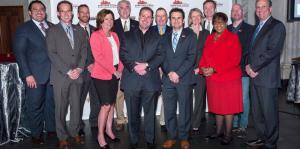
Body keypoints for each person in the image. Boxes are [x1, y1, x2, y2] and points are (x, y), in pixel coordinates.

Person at [120, 7, 164, 149]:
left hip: (150, 81)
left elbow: (160, 55)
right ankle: (133, 141)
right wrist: (134, 67)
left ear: (152, 20)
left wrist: (147, 65)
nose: (145, 19)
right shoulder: (127, 35)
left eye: (149, 17)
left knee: (150, 114)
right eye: (143, 16)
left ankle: (150, 141)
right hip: (132, 80)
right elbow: (123, 54)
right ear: (138, 17)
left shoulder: (158, 36)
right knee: (133, 115)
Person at [13, 0, 55, 145]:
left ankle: (51, 130)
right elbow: (20, 53)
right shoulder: (24, 29)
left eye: (42, 9)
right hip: (34, 76)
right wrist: (27, 74)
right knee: (35, 106)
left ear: (45, 11)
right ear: (30, 12)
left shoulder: (52, 26)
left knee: (51, 104)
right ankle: (36, 135)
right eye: (35, 9)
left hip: (53, 75)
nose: (39, 11)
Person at [46, 1, 87, 148]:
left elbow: (84, 51)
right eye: (62, 11)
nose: (66, 13)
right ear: (58, 13)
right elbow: (52, 53)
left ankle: (75, 133)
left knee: (76, 106)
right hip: (61, 76)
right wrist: (69, 71)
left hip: (77, 75)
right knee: (61, 108)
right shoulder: (52, 31)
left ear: (72, 12)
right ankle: (62, 137)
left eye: (68, 11)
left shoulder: (79, 30)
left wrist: (80, 69)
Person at [245, 0, 286, 149]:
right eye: (258, 7)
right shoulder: (257, 27)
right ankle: (261, 138)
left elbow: (272, 51)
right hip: (254, 77)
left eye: (263, 7)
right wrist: (247, 66)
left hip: (267, 78)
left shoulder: (277, 26)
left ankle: (271, 142)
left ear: (270, 9)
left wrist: (254, 67)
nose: (260, 10)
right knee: (257, 113)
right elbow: (251, 51)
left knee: (269, 113)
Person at [199, 12, 243, 145]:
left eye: (221, 22)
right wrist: (203, 68)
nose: (218, 24)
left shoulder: (233, 37)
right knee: (217, 106)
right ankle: (218, 132)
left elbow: (235, 60)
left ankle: (228, 134)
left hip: (229, 79)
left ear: (226, 24)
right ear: (213, 24)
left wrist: (215, 68)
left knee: (228, 108)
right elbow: (204, 56)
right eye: (216, 22)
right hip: (213, 79)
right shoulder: (209, 38)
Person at [161, 8, 197, 149]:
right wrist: (169, 72)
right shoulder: (164, 36)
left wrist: (178, 73)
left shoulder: (190, 35)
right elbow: (161, 57)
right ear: (170, 20)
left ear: (183, 20)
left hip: (184, 79)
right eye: (173, 18)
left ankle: (184, 137)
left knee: (184, 110)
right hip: (168, 79)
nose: (176, 20)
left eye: (179, 18)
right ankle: (171, 137)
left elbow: (191, 57)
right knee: (169, 109)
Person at [90, 9, 123, 149]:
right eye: (106, 19)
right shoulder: (95, 35)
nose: (109, 21)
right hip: (102, 74)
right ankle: (100, 135)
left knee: (112, 104)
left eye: (111, 19)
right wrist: (113, 71)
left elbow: (119, 54)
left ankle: (109, 131)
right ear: (100, 21)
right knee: (106, 105)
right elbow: (99, 58)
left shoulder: (115, 35)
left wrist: (120, 70)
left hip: (115, 73)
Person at [228, 3, 254, 139]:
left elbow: (250, 50)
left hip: (243, 70)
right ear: (231, 13)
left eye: (238, 10)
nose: (236, 12)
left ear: (242, 12)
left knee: (243, 98)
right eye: (233, 10)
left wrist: (245, 64)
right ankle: (234, 123)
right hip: (228, 72)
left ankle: (243, 126)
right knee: (232, 97)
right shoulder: (226, 29)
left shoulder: (250, 29)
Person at [113, 0, 139, 131]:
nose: (124, 10)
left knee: (134, 93)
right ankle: (120, 119)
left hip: (135, 65)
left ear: (130, 9)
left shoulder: (137, 24)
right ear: (118, 10)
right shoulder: (112, 24)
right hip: (119, 65)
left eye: (127, 7)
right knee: (119, 94)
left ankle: (134, 118)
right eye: (121, 8)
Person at [76, 4, 100, 136]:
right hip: (82, 72)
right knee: (79, 100)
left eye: (87, 12)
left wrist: (95, 64)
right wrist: (87, 65)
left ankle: (95, 123)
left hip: (96, 71)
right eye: (82, 12)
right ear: (78, 14)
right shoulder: (73, 30)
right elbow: (74, 53)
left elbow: (100, 51)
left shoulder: (95, 30)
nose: (85, 14)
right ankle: (78, 125)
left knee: (96, 99)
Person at [188, 8, 210, 135]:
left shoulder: (206, 33)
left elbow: (208, 54)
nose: (196, 18)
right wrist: (189, 68)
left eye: (198, 16)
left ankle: (195, 123)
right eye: (193, 16)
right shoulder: (186, 32)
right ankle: (187, 121)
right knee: (187, 98)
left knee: (199, 99)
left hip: (200, 71)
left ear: (201, 18)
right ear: (190, 18)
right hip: (187, 71)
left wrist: (199, 68)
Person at [151, 7, 171, 132]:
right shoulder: (150, 30)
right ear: (155, 18)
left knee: (167, 96)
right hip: (153, 69)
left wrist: (166, 68)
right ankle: (150, 120)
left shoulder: (172, 29)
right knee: (152, 96)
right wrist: (156, 66)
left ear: (167, 18)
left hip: (168, 69)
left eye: (163, 16)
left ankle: (164, 121)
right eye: (158, 16)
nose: (161, 18)